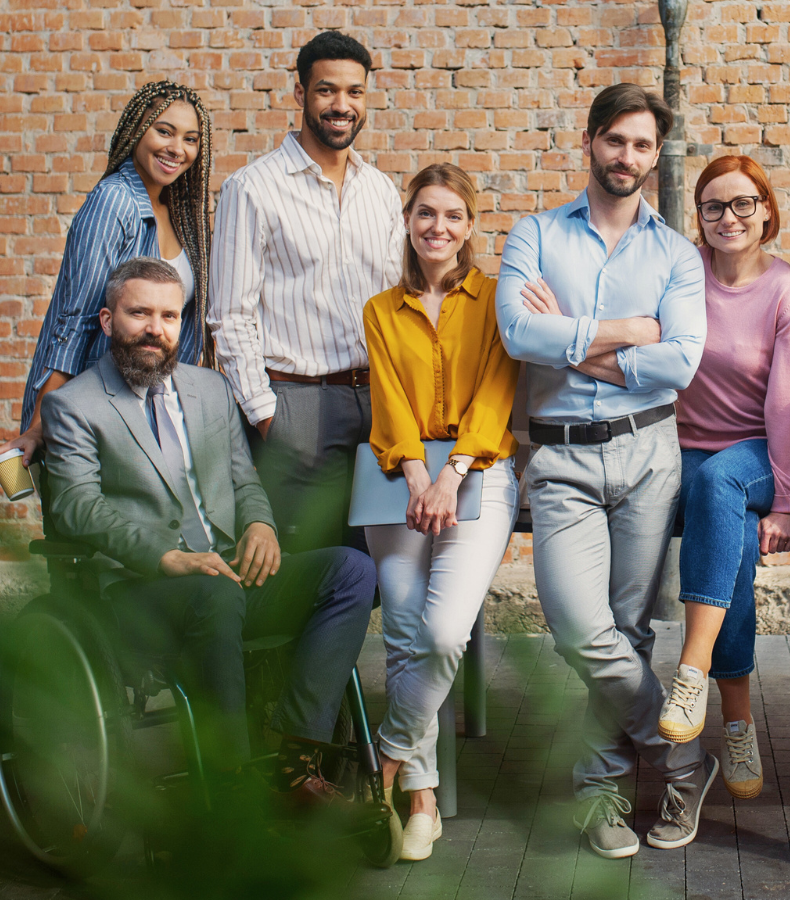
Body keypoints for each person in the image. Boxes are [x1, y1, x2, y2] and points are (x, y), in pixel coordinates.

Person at [40, 258, 376, 801]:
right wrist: (165, 557)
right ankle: (230, 784)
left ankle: (296, 760)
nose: (155, 328)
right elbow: (77, 506)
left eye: (169, 315)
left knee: (353, 570)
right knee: (216, 593)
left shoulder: (211, 390)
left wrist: (262, 525)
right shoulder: (73, 406)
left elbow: (244, 481)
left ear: (181, 324)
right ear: (108, 321)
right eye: (139, 313)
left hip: (227, 577)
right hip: (142, 594)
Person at [494, 83, 713, 859]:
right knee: (580, 628)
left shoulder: (676, 253)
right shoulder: (536, 234)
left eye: (643, 145)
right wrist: (626, 332)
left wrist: (573, 338)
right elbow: (519, 331)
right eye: (615, 140)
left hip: (650, 452)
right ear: (588, 141)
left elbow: (681, 360)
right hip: (559, 455)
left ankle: (601, 792)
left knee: (628, 628)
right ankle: (683, 756)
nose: (628, 157)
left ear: (656, 156)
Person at [363, 163, 520, 862]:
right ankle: (422, 800)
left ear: (469, 225)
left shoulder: (494, 299)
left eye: (454, 215)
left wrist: (452, 473)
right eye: (427, 213)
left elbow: (498, 389)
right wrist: (421, 476)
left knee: (444, 628)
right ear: (408, 220)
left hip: (479, 469)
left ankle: (384, 764)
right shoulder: (379, 309)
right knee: (401, 628)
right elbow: (389, 404)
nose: (439, 227)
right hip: (397, 475)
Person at [209, 30, 406, 553]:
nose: (342, 105)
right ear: (300, 95)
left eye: (354, 92)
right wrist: (267, 416)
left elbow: (395, 302)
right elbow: (229, 315)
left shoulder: (381, 191)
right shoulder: (252, 188)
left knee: (372, 559)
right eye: (326, 91)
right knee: (304, 566)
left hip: (376, 402)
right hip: (296, 400)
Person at [654, 155, 790, 802]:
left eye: (744, 204)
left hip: (755, 454)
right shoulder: (679, 270)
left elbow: (784, 403)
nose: (729, 218)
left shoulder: (785, 290)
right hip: (677, 449)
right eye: (714, 206)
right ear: (700, 217)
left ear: (767, 211)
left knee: (721, 484)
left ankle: (690, 672)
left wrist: (786, 502)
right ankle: (738, 722)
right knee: (734, 547)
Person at [0, 81, 212, 473]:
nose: (177, 148)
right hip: (99, 406)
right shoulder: (115, 201)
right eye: (164, 131)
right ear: (136, 130)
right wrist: (40, 425)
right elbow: (75, 320)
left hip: (157, 405)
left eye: (190, 139)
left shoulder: (180, 214)